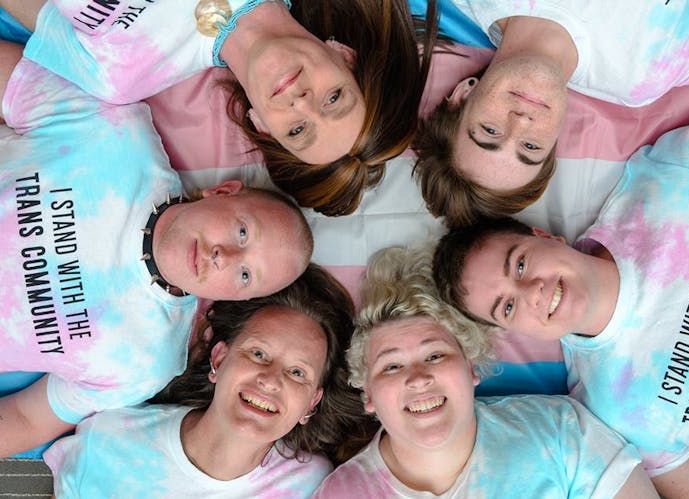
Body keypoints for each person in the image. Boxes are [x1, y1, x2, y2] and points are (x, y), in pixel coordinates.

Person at [433, 86, 689, 498]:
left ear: (545, 236)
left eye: (520, 264)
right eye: (508, 306)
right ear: (516, 331)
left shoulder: (670, 189)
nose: (532, 291)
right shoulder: (609, 410)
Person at [0, 41, 313, 457]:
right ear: (222, 191)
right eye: (242, 233)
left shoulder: (145, 362)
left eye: (244, 276)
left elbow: (25, 419)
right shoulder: (115, 128)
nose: (226, 258)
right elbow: (10, 77)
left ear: (230, 297)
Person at [0, 0, 440, 216]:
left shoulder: (120, 74)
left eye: (298, 130)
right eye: (334, 98)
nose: (302, 102)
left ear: (261, 125)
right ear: (344, 54)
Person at [313, 245, 658, 498]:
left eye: (435, 355)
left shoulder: (561, 433)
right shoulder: (343, 493)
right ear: (368, 395)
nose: (418, 378)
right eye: (391, 365)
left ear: (471, 368)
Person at [412, 0, 689, 227]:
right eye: (530, 148)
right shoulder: (643, 75)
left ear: (462, 95)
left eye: (490, 131)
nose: (520, 122)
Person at [43, 264, 365, 497]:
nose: (271, 380)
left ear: (311, 404)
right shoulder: (108, 441)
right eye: (258, 354)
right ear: (219, 359)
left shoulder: (315, 486)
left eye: (297, 373)